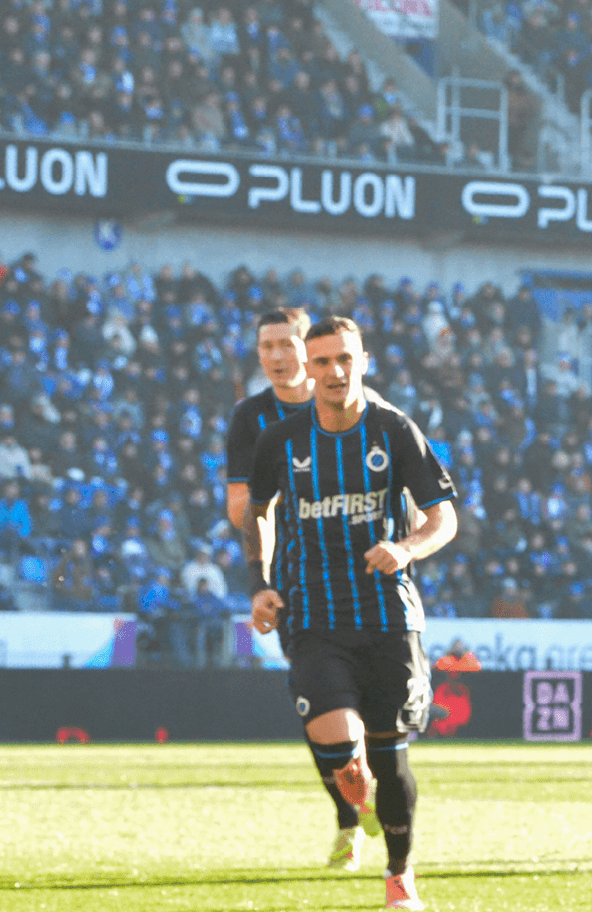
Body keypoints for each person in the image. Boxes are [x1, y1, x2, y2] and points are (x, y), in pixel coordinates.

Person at [242, 318, 458, 909]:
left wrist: (406, 548)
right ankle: (347, 766)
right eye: (322, 361)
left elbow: (443, 516)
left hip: (388, 616)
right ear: (306, 370)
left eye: (345, 359)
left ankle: (400, 875)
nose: (335, 371)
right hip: (313, 616)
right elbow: (256, 512)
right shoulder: (281, 440)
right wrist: (260, 585)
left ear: (363, 362)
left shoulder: (395, 430)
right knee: (340, 741)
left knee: (391, 758)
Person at [225, 306, 392, 866]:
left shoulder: (368, 408)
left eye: (286, 345)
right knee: (318, 707)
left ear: (311, 351)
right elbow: (242, 507)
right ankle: (350, 816)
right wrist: (266, 571)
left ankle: (377, 795)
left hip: (367, 581)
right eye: (265, 347)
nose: (275, 357)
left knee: (372, 709)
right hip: (298, 582)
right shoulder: (252, 418)